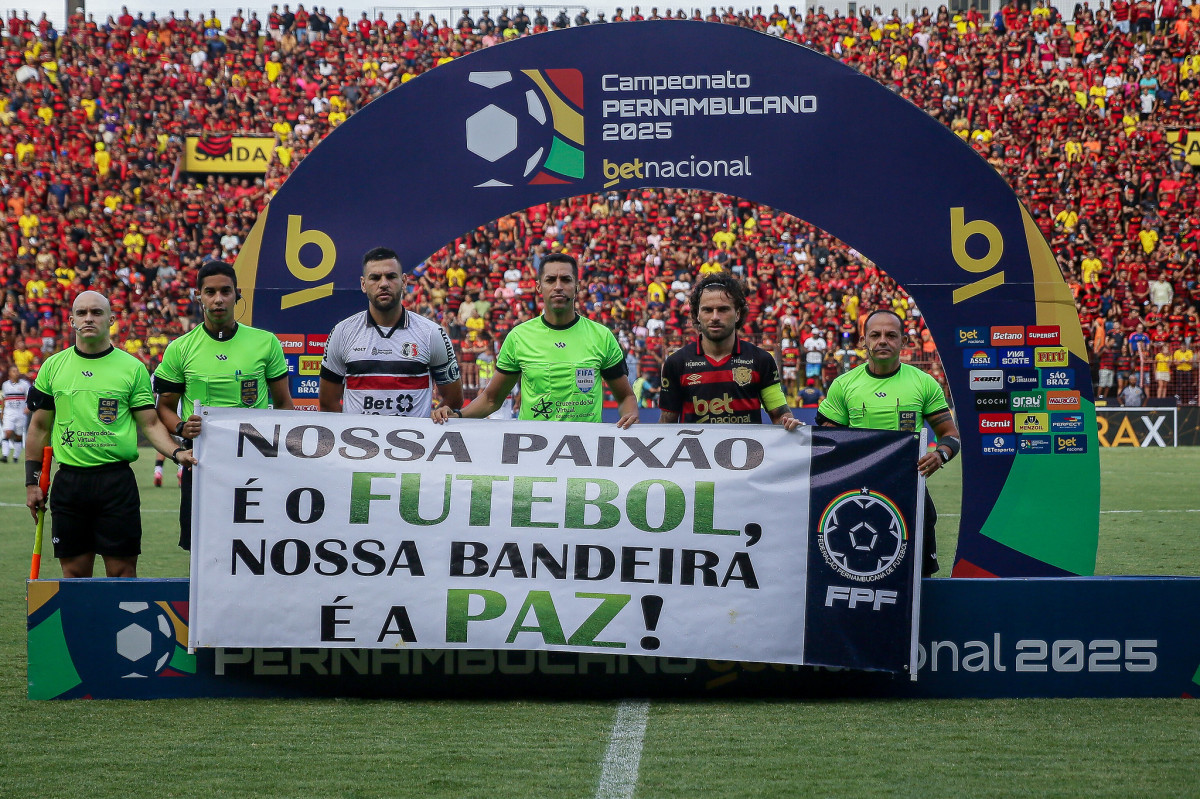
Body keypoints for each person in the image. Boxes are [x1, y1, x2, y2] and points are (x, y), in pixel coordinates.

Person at [24, 291, 197, 578]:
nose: (88, 318)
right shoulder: (53, 367)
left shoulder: (132, 368)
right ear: (71, 321)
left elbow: (151, 424)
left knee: (122, 573)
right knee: (75, 575)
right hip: (70, 482)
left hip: (116, 482)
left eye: (96, 312)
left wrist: (177, 452)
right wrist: (32, 483)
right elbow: (39, 428)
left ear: (111, 320)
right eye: (81, 313)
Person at [155, 262, 293, 551]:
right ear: (198, 296)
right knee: (201, 552)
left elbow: (283, 404)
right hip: (202, 466)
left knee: (256, 548)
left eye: (225, 291)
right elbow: (164, 408)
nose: (218, 299)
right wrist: (181, 427)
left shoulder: (265, 343)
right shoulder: (180, 348)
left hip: (255, 467)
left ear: (237, 294)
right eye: (210, 292)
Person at [816, 309, 960, 576]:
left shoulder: (924, 383)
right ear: (863, 341)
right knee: (854, 572)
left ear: (904, 342)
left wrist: (940, 455)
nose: (883, 340)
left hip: (909, 491)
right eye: (876, 335)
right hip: (855, 494)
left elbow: (950, 434)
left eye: (891, 335)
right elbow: (827, 441)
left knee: (919, 575)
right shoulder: (843, 385)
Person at [432, 252, 638, 426]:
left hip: (585, 455)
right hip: (535, 455)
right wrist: (457, 416)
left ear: (577, 286)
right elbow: (491, 399)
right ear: (539, 287)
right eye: (550, 280)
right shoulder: (519, 337)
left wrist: (631, 417)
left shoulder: (602, 336)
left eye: (566, 279)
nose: (558, 286)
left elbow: (625, 397)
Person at [319, 247, 463, 417]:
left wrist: (431, 424)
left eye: (391, 276)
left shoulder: (432, 333)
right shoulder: (342, 333)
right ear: (363, 284)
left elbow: (454, 399)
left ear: (404, 282)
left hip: (414, 443)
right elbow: (328, 403)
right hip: (357, 443)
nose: (384, 284)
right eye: (375, 277)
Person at [658, 274, 801, 430]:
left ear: (738, 313)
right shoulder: (676, 363)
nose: (715, 317)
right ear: (697, 315)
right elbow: (667, 424)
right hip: (695, 454)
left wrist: (788, 423)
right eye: (707, 310)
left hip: (749, 454)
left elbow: (780, 414)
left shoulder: (761, 360)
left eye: (723, 309)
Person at [2, 364, 32, 463]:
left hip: (21, 413)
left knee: (18, 435)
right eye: (14, 371)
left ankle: (15, 457)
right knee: (8, 432)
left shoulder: (25, 384)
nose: (16, 373)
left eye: (17, 371)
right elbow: (4, 399)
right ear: (10, 373)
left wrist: (28, 407)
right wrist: (2, 412)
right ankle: (5, 455)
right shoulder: (5, 385)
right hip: (9, 413)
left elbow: (30, 397)